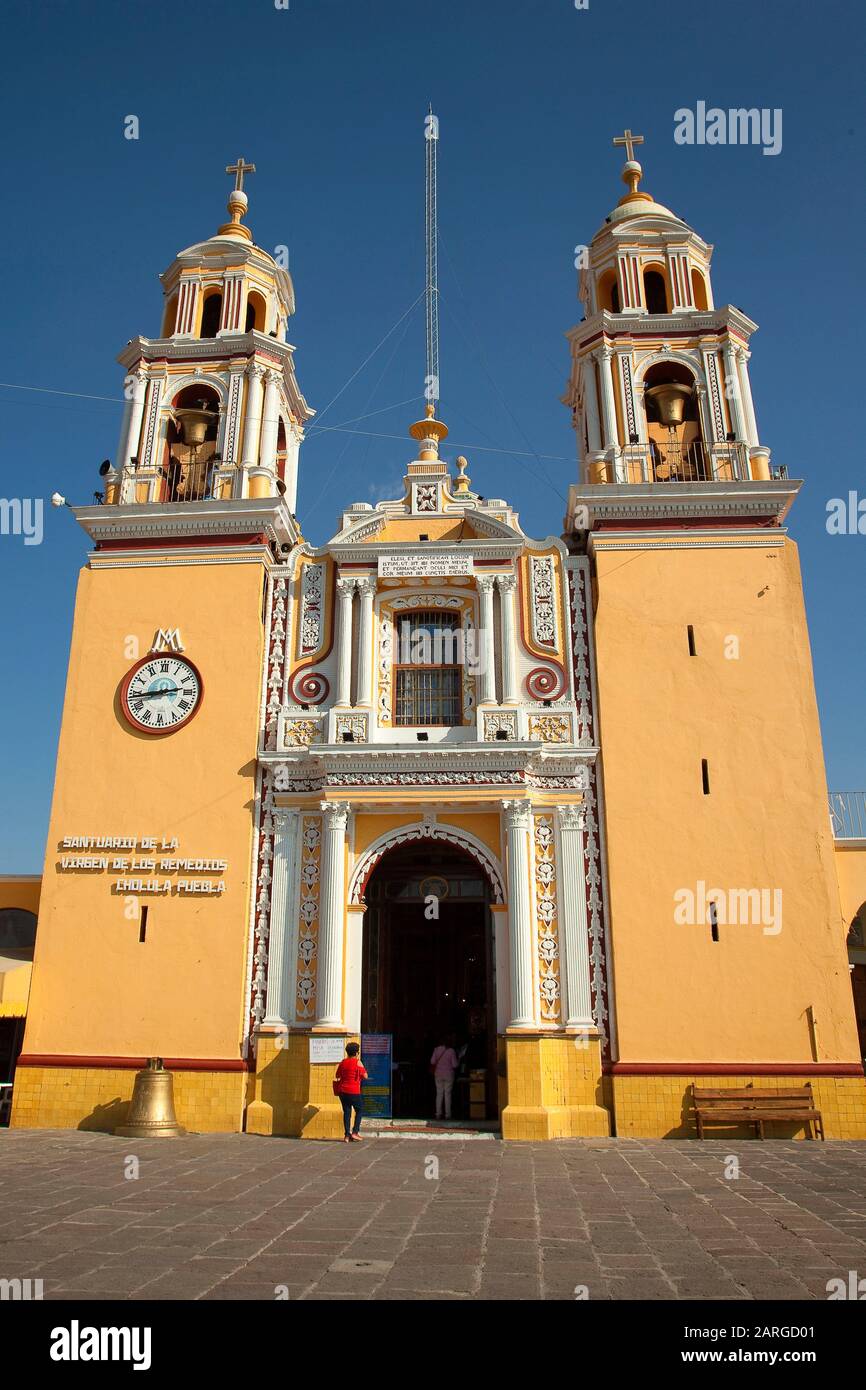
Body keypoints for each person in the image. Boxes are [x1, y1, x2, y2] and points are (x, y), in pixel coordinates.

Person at [334, 1041, 367, 1142]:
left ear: (347, 1052)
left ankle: (347, 1135)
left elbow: (337, 1075)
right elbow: (365, 1076)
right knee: (359, 1110)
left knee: (347, 1112)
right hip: (354, 1091)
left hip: (342, 1092)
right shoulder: (358, 1062)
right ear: (357, 1053)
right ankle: (355, 1132)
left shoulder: (343, 1062)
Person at [430, 1034, 459, 1121]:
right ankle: (448, 1114)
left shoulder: (436, 1049)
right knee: (447, 1094)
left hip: (438, 1074)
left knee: (439, 1094)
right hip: (449, 1075)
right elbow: (455, 1065)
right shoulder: (451, 1051)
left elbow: (432, 1062)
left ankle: (438, 1114)